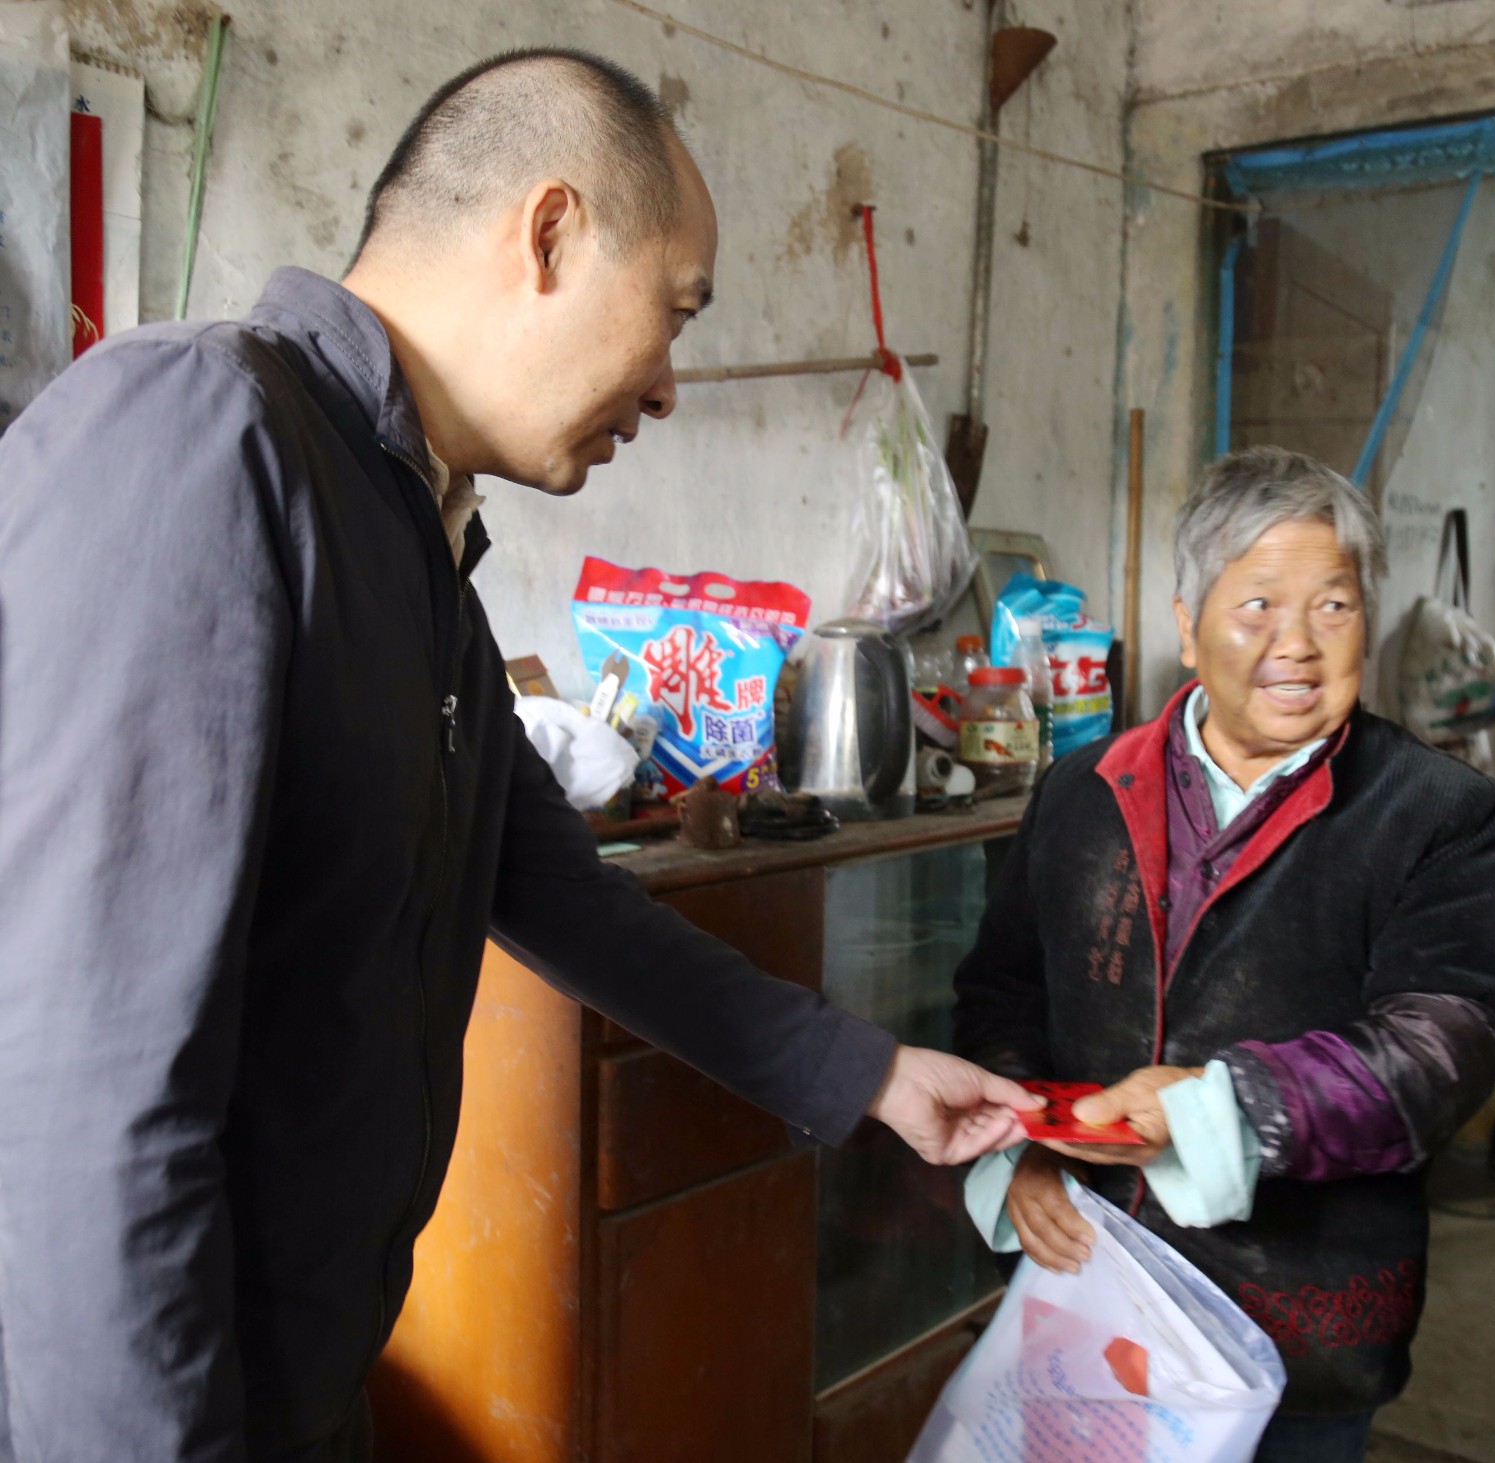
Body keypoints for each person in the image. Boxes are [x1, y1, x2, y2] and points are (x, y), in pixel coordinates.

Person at [0, 50, 1037, 1463]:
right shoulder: (205, 433)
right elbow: (81, 1082)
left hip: (292, 1371)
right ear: (548, 232)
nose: (669, 384)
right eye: (672, 314)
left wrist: (868, 1071)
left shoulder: (414, 549)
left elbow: (563, 893)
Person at [954, 447, 1495, 1462]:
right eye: (1256, 603)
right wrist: (1020, 1148)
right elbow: (1002, 991)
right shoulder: (1084, 788)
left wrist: (1218, 1107)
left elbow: (1444, 1043)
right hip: (1090, 1289)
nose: (1295, 644)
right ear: (1187, 621)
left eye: (1333, 606)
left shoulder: (1435, 811)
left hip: (1299, 1317)